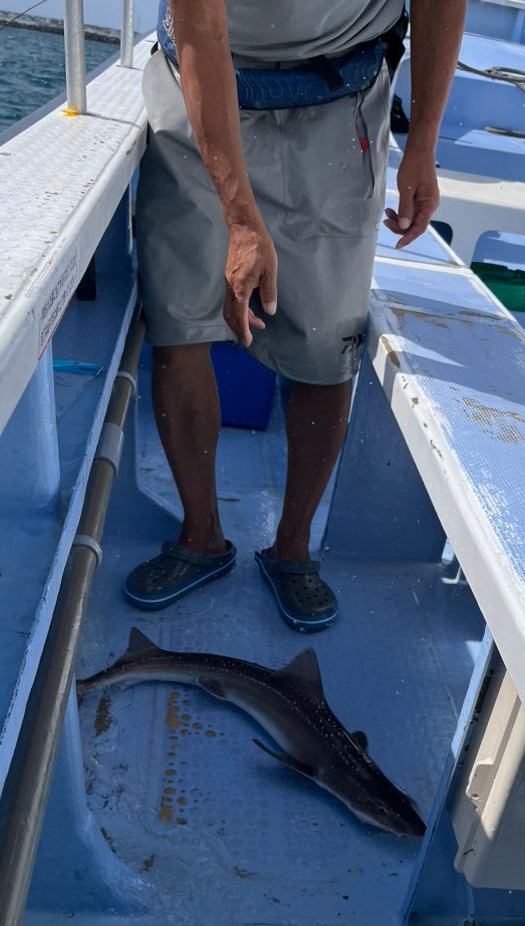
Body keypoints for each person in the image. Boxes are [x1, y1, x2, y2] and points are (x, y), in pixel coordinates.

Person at [127, 0, 467, 630]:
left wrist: (423, 142)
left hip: (343, 101)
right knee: (179, 324)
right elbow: (201, 27)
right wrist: (238, 216)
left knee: (326, 342)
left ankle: (293, 549)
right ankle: (201, 536)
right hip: (200, 83)